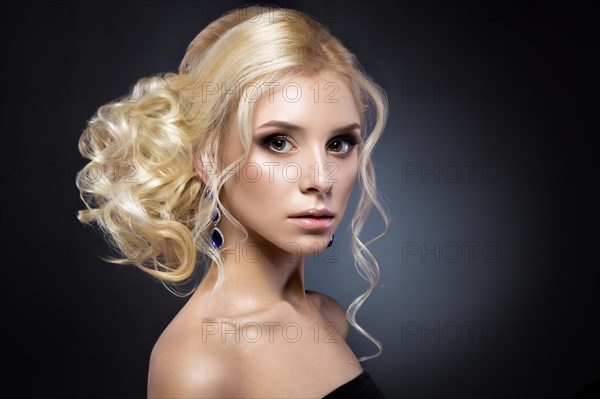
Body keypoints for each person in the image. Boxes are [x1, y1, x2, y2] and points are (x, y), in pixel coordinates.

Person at [76, 5, 389, 398]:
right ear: (206, 157)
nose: (320, 179)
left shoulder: (328, 316)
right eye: (278, 142)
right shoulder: (198, 365)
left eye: (339, 144)